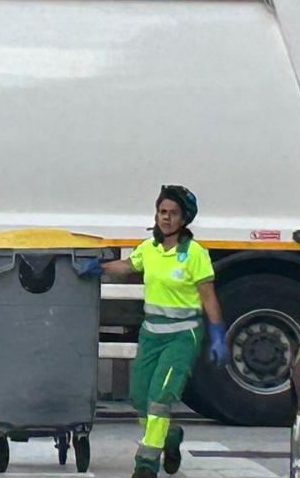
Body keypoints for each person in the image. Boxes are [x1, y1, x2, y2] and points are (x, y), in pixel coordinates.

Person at [102, 184, 226, 477]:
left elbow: (208, 297)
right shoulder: (150, 248)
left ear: (184, 219)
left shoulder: (195, 253)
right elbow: (128, 266)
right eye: (162, 212)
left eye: (173, 213)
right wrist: (98, 267)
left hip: (182, 336)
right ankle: (169, 436)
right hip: (151, 335)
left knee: (160, 397)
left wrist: (218, 335)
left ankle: (146, 463)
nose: (166, 218)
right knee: (140, 398)